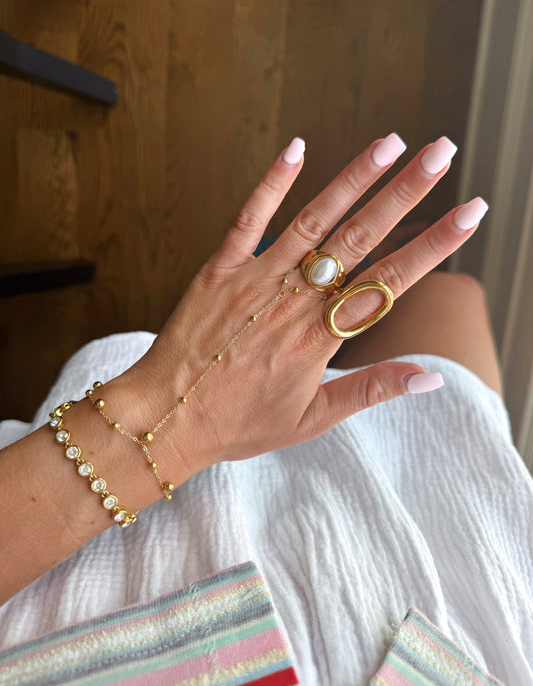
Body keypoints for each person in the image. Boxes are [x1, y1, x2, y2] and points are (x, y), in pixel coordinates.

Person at [0, 134, 531, 686]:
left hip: (97, 585)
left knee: (416, 296)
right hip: (443, 608)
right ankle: (324, 288)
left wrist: (167, 414)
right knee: (452, 292)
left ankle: (301, 294)